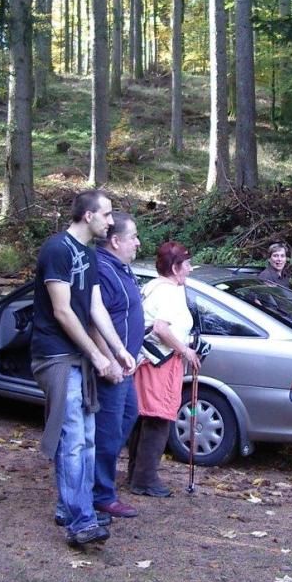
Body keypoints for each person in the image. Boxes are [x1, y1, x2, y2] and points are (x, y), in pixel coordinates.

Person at [30, 189, 136, 547]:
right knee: (73, 439)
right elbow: (62, 311)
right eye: (106, 214)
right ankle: (81, 521)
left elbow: (95, 308)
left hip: (79, 357)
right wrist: (97, 355)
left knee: (87, 438)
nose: (111, 221)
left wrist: (118, 351)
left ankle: (71, 507)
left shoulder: (89, 255)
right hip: (55, 357)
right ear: (88, 216)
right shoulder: (56, 249)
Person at [128, 241, 201, 497]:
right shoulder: (169, 292)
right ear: (175, 267)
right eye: (187, 264)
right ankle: (145, 480)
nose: (190, 269)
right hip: (160, 363)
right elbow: (160, 327)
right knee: (158, 419)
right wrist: (185, 350)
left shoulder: (153, 287)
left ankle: (137, 474)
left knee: (145, 418)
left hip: (149, 361)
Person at [92, 212, 144, 520]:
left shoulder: (121, 268)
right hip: (112, 369)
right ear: (115, 241)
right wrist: (109, 359)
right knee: (108, 431)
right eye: (133, 237)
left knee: (127, 416)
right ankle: (101, 494)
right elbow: (94, 320)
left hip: (126, 366)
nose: (138, 243)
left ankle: (99, 483)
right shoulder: (102, 270)